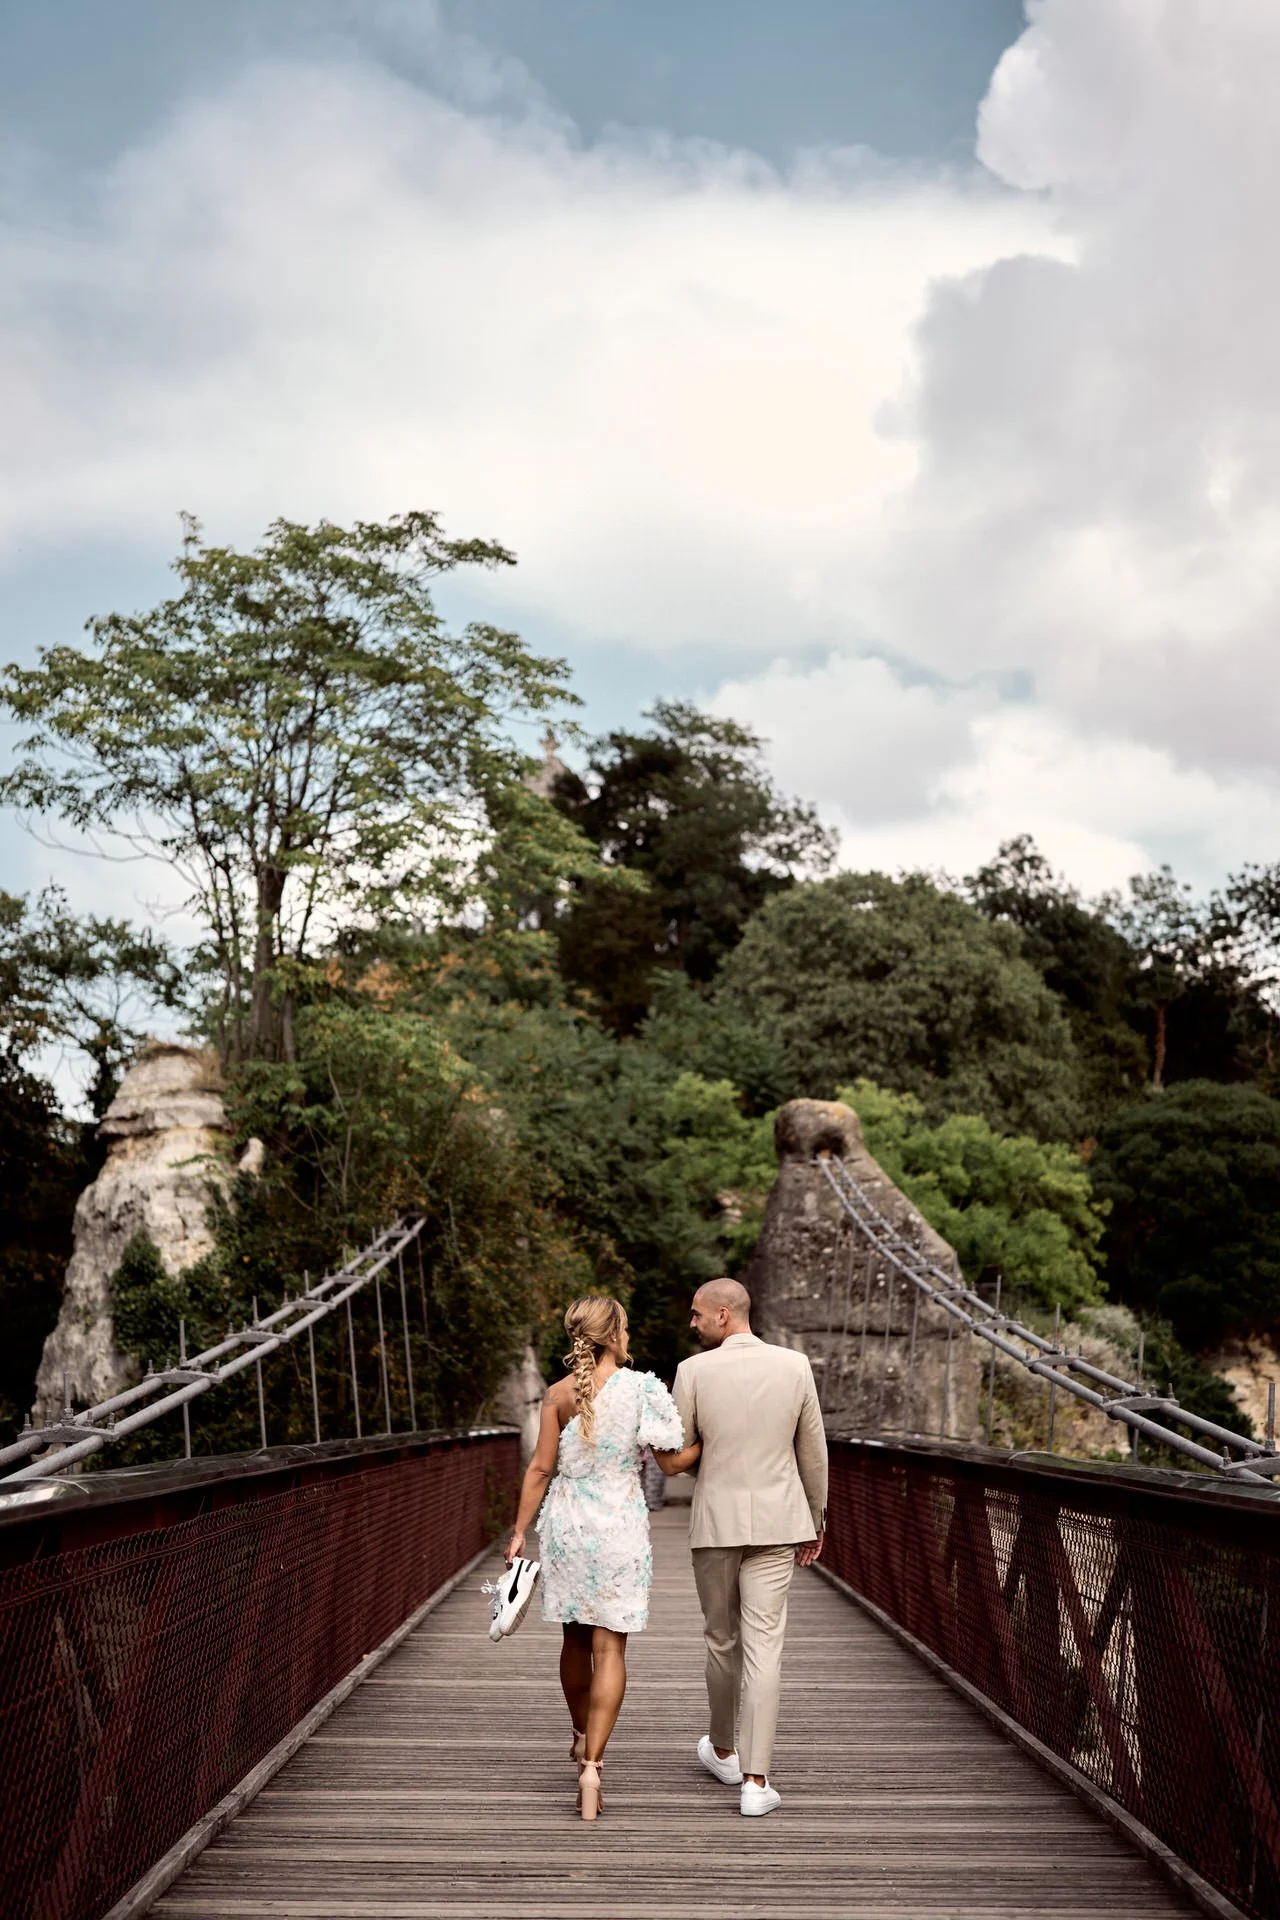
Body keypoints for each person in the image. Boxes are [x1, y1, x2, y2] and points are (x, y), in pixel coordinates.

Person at [505, 1296, 700, 1820]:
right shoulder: (643, 1389)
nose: (630, 1335)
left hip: (568, 1524)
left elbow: (541, 1470)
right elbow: (673, 1463)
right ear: (613, 1333)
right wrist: (711, 1443)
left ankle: (577, 1735)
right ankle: (593, 1766)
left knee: (573, 1638)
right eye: (627, 1328)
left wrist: (519, 1532)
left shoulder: (557, 1394)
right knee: (610, 1647)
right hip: (619, 1523)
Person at [674, 1277, 827, 1818]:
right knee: (766, 1646)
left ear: (721, 1315)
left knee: (721, 1640)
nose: (691, 1324)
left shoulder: (692, 1373)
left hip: (717, 1523)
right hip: (779, 1522)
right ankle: (756, 1783)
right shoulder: (795, 1366)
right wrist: (815, 1517)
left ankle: (722, 1750)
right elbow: (813, 1449)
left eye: (696, 1315)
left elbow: (679, 1449)